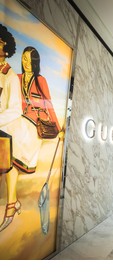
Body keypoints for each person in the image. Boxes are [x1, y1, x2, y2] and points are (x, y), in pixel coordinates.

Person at [0, 45, 63, 232]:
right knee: (8, 156)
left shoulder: (40, 80)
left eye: (30, 60)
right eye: (24, 59)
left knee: (10, 151)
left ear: (35, 62)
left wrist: (57, 128)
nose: (26, 63)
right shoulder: (16, 78)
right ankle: (12, 204)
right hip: (19, 122)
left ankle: (12, 205)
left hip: (34, 126)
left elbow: (48, 103)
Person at [0, 24, 23, 232]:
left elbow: (16, 109)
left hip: (5, 130)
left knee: (7, 168)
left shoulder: (10, 76)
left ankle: (11, 204)